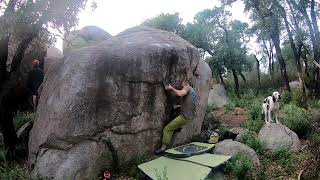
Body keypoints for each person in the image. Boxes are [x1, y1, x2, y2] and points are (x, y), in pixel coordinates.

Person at [155, 79, 198, 154]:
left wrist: (171, 88)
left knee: (167, 129)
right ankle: (177, 128)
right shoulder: (193, 92)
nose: (181, 86)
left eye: (182, 84)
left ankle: (163, 148)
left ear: (185, 83)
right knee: (174, 123)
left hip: (184, 117)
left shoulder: (187, 87)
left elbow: (180, 94)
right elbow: (188, 103)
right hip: (189, 117)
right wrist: (177, 106)